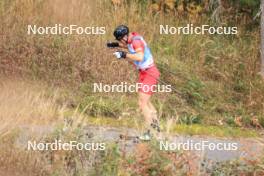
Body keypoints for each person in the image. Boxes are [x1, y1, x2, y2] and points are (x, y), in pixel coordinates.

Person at [107, 25, 161, 140]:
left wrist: (123, 54)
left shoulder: (136, 41)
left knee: (142, 103)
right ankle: (156, 128)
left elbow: (139, 56)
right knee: (146, 102)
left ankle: (150, 132)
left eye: (119, 39)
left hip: (150, 73)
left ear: (125, 36)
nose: (120, 42)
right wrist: (114, 45)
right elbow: (125, 45)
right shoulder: (131, 40)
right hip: (144, 73)